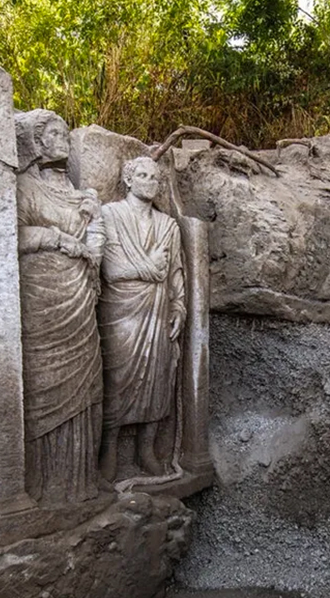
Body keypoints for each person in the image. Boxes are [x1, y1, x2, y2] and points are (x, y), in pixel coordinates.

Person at [15, 109, 105, 504]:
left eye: (65, 132)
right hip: (42, 295)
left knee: (85, 381)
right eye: (53, 133)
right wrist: (56, 238)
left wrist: (93, 224)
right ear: (36, 142)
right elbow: (13, 234)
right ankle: (44, 484)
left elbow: (97, 242)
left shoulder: (80, 194)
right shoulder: (24, 187)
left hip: (80, 295)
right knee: (46, 382)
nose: (63, 138)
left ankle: (80, 481)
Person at [98, 157, 186, 480]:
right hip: (120, 312)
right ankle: (108, 449)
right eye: (143, 175)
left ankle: (146, 450)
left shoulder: (168, 226)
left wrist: (179, 307)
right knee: (115, 378)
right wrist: (150, 268)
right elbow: (112, 269)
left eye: (155, 177)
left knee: (158, 377)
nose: (150, 181)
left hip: (158, 311)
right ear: (128, 179)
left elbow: (174, 272)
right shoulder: (110, 214)